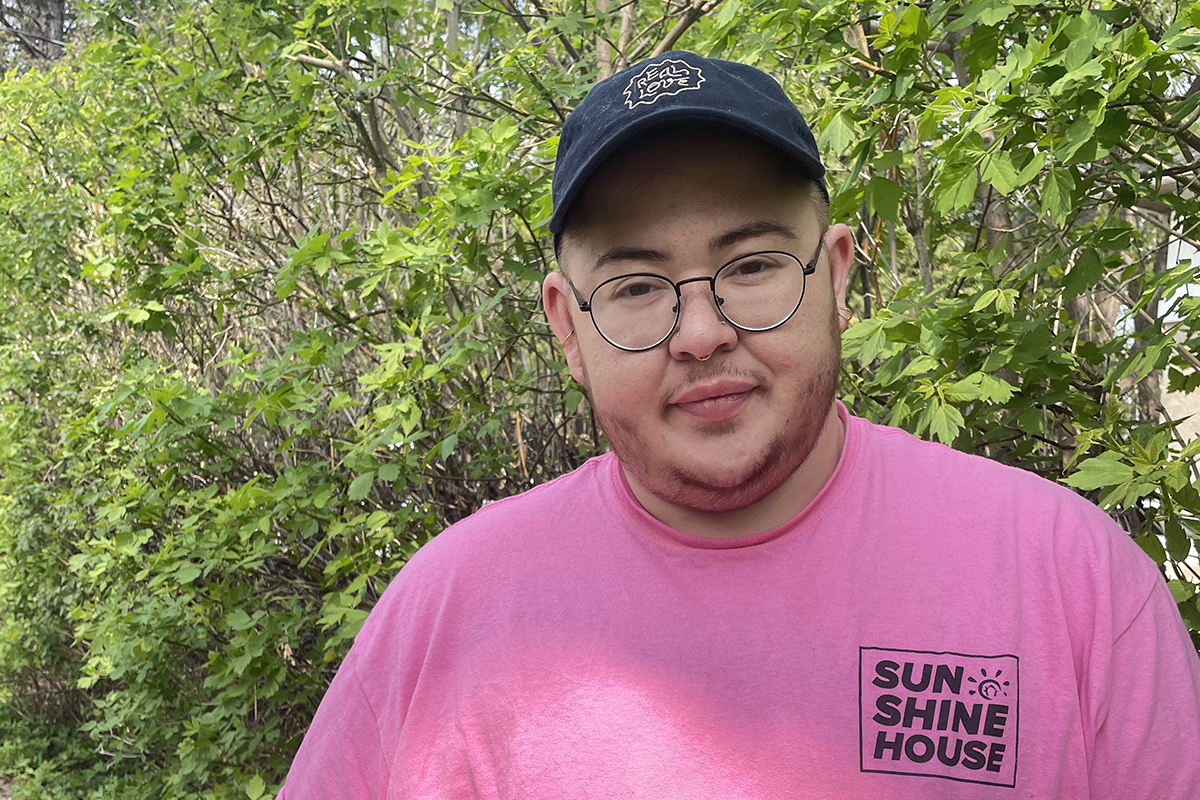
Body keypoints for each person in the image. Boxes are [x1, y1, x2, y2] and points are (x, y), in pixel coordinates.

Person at [279, 51, 1200, 798]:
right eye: (637, 287)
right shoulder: (450, 612)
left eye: (752, 265)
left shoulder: (1065, 577)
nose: (702, 333)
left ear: (836, 274)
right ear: (567, 325)